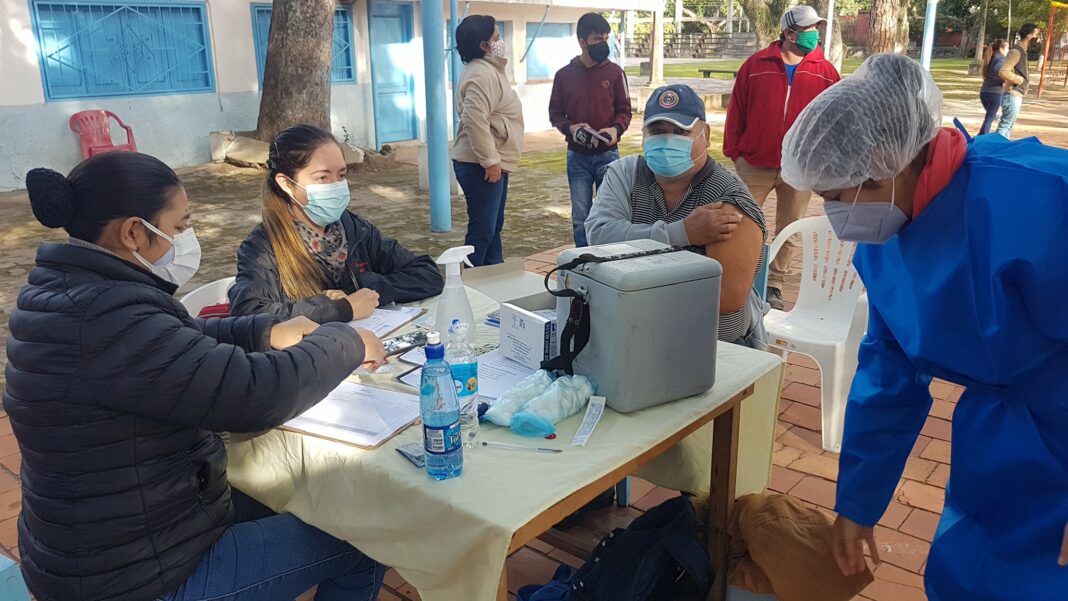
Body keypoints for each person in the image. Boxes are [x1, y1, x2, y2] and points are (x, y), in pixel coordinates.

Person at [6, 151, 389, 601]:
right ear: (133, 232)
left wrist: (266, 331)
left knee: (298, 495)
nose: (186, 239)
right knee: (366, 536)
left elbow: (176, 338)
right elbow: (253, 395)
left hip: (102, 543)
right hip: (139, 577)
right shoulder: (108, 315)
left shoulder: (66, 291)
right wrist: (345, 340)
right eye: (179, 227)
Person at [780, 53, 1068, 601]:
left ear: (888, 161)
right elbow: (888, 376)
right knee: (968, 575)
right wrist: (857, 504)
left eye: (838, 197)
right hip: (997, 441)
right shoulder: (885, 239)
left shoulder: (1036, 198)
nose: (837, 218)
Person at [586, 84, 768, 350]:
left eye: (681, 131)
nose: (667, 140)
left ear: (705, 135)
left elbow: (724, 300)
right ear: (644, 136)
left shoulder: (727, 200)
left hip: (714, 348)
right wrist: (682, 233)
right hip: (632, 334)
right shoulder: (625, 173)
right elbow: (599, 236)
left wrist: (628, 288)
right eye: (657, 131)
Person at [229, 124, 443, 322]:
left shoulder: (355, 229)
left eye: (341, 175)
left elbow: (427, 274)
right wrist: (340, 309)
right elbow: (249, 315)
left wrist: (367, 288)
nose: (336, 186)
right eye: (322, 178)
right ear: (286, 184)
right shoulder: (262, 247)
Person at [723, 4, 841, 310]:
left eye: (817, 29)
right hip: (755, 163)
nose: (815, 35)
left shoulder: (826, 72)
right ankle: (741, 278)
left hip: (800, 167)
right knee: (742, 223)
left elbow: (835, 121)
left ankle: (774, 284)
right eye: (808, 30)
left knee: (790, 226)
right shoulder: (756, 64)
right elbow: (737, 110)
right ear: (789, 33)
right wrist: (735, 153)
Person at [549, 12, 633, 247]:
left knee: (612, 213)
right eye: (597, 39)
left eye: (606, 38)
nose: (603, 44)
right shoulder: (564, 76)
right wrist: (570, 128)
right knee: (580, 217)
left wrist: (616, 130)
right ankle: (583, 261)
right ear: (582, 41)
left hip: (608, 154)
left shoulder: (615, 73)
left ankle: (610, 259)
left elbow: (625, 110)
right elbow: (555, 114)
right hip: (577, 157)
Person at [451, 15, 524, 266]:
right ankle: (468, 287)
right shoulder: (481, 74)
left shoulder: (488, 70)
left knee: (492, 227)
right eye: (496, 37)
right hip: (480, 165)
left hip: (491, 163)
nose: (500, 41)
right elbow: (474, 119)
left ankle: (494, 278)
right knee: (482, 232)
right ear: (483, 45)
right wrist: (490, 161)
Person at [997, 23, 1042, 139]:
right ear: (1028, 36)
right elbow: (1003, 71)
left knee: (1007, 126)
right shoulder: (1016, 51)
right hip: (1012, 94)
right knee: (1005, 126)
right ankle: (996, 149)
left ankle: (1000, 149)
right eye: (1036, 35)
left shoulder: (1022, 51)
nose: (1037, 39)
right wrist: (1020, 80)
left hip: (1015, 94)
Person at [978, 39, 1008, 135]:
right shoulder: (1001, 59)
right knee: (989, 119)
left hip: (984, 91)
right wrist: (1004, 80)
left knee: (990, 117)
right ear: (1001, 48)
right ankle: (982, 138)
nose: (1008, 50)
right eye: (1007, 48)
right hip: (994, 93)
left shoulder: (990, 58)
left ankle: (982, 136)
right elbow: (998, 71)